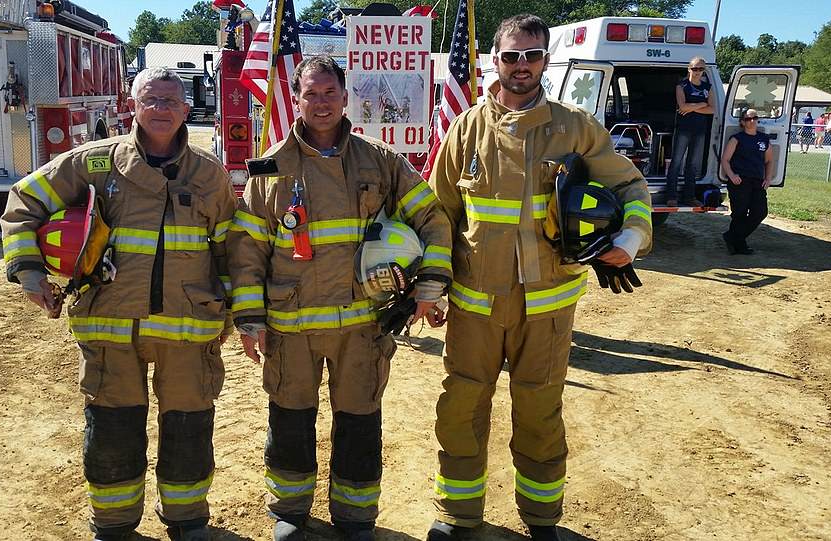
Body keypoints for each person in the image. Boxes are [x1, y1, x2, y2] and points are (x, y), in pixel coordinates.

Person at [425, 14, 652, 541]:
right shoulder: (467, 129)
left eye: (531, 54)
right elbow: (438, 215)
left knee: (539, 412)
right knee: (461, 407)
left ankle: (543, 519)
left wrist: (625, 242)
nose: (521, 65)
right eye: (511, 55)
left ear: (545, 59)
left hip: (547, 308)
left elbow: (633, 189)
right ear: (495, 60)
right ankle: (459, 515)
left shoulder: (575, 128)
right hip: (475, 307)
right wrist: (432, 286)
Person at [0, 67, 237, 541]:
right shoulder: (92, 164)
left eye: (172, 101)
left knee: (189, 425)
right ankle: (113, 524)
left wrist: (231, 310)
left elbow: (232, 249)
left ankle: (187, 519)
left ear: (188, 109)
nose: (162, 110)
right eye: (151, 100)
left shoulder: (209, 175)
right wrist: (28, 272)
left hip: (188, 328)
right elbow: (23, 203)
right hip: (110, 326)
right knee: (112, 425)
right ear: (132, 104)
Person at [227, 56, 452, 541]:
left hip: (362, 326)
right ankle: (289, 510)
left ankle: (355, 515)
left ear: (346, 98)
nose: (321, 103)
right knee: (290, 417)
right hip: (292, 326)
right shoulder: (271, 170)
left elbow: (432, 219)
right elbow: (247, 251)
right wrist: (249, 318)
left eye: (330, 92)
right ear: (297, 98)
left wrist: (430, 284)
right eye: (311, 93)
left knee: (360, 418)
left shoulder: (381, 161)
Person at [720, 109, 773, 255]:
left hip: (758, 182)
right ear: (742, 122)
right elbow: (725, 160)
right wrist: (732, 175)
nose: (752, 121)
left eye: (755, 118)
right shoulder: (737, 138)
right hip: (740, 181)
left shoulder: (764, 139)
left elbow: (769, 161)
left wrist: (768, 179)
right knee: (739, 214)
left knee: (760, 212)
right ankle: (739, 244)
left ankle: (731, 237)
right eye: (748, 119)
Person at [665, 56, 715, 207]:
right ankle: (671, 196)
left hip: (700, 130)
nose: (698, 71)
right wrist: (701, 104)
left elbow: (712, 109)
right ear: (689, 69)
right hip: (683, 129)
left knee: (692, 164)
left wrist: (691, 106)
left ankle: (689, 197)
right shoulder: (682, 86)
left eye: (701, 69)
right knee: (676, 162)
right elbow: (682, 107)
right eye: (695, 68)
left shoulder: (708, 87)